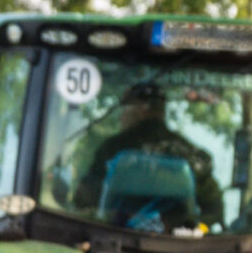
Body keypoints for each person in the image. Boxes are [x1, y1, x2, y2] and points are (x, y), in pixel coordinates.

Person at [66, 80, 226, 230]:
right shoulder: (193, 156)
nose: (121, 117)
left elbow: (84, 202)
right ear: (161, 111)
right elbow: (214, 210)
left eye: (125, 108)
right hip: (180, 248)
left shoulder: (112, 150)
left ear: (142, 109)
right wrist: (191, 230)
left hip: (114, 239)